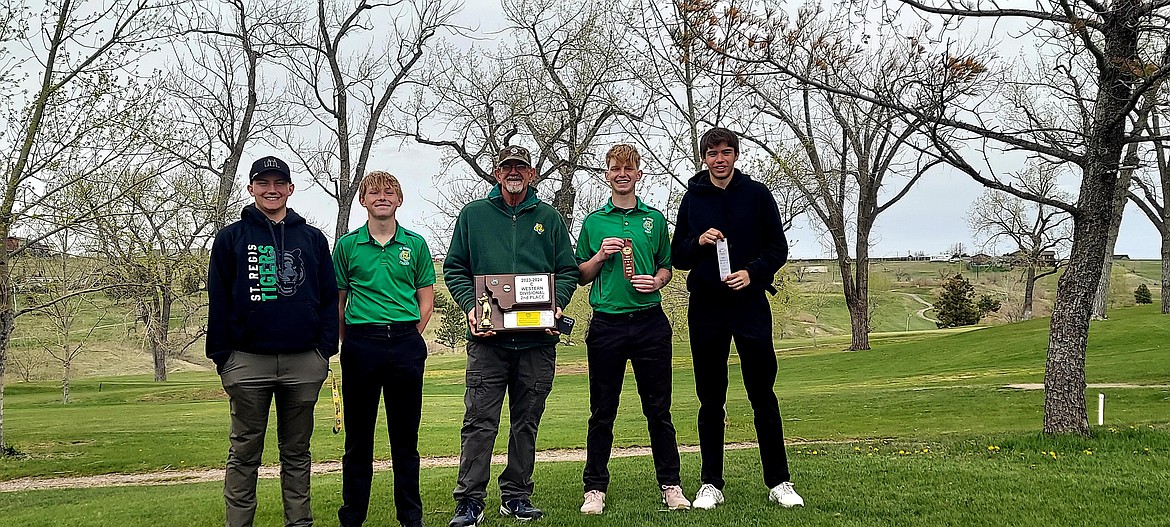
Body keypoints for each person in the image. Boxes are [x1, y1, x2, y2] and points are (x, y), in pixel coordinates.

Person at [443, 145, 579, 527]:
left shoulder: (549, 217)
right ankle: (469, 501)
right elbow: (455, 268)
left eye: (521, 167)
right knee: (479, 422)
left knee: (527, 421)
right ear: (497, 173)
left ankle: (517, 495)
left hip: (537, 343)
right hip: (488, 342)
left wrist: (558, 304)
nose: (514, 173)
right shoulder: (474, 215)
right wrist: (472, 306)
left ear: (532, 174)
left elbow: (566, 271)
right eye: (507, 168)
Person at [670, 128, 805, 509]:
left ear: (735, 156)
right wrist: (698, 242)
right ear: (704, 158)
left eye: (726, 153)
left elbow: (778, 247)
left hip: (750, 306)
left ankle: (779, 481)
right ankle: (710, 483)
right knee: (710, 398)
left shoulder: (758, 194)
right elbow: (678, 256)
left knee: (762, 393)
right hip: (707, 309)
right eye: (712, 154)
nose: (720, 160)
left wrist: (753, 272)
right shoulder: (693, 199)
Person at [206, 155, 339, 527]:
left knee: (296, 453)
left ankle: (299, 523)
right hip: (247, 361)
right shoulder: (232, 237)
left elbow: (329, 298)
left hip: (303, 361)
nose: (271, 190)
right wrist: (223, 358)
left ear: (290, 189)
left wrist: (324, 351)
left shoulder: (311, 238)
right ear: (250, 189)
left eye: (279, 183)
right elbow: (218, 298)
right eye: (263, 183)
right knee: (244, 452)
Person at [574, 144, 689, 514]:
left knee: (659, 410)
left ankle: (671, 485)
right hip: (606, 323)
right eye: (614, 168)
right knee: (602, 411)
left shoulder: (654, 219)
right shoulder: (594, 222)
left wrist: (657, 282)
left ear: (639, 174)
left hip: (649, 324)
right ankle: (594, 489)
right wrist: (599, 256)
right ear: (606, 174)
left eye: (629, 168)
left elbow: (666, 267)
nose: (621, 173)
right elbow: (581, 276)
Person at [333, 171, 435, 527]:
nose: (382, 196)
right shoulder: (347, 246)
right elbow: (340, 301)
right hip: (361, 346)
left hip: (405, 344)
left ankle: (410, 517)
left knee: (405, 440)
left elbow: (426, 297)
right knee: (358, 441)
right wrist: (352, 340)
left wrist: (410, 334)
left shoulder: (416, 244)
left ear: (399, 200)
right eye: (374, 192)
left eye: (389, 192)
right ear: (362, 200)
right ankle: (352, 516)